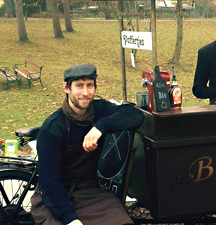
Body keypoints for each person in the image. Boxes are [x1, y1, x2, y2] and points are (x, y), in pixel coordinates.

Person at [30, 64, 145, 225]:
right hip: (55, 197)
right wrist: (70, 218)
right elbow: (49, 182)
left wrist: (100, 126)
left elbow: (135, 115)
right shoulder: (53, 128)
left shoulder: (99, 110)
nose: (85, 93)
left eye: (89, 85)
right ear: (66, 88)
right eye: (79, 86)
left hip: (89, 193)